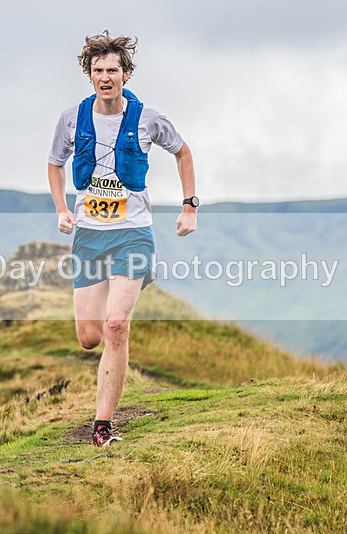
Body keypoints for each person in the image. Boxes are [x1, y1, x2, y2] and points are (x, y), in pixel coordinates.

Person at [48, 31, 198, 447]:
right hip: (89, 237)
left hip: (132, 234)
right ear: (89, 75)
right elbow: (54, 163)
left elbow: (183, 152)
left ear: (126, 74)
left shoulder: (148, 118)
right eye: (98, 71)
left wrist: (189, 206)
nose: (105, 77)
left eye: (112, 70)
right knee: (89, 337)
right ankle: (109, 362)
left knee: (115, 326)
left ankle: (102, 425)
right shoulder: (71, 118)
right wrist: (62, 208)